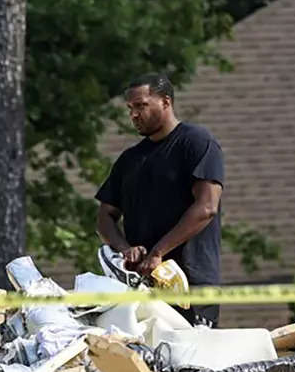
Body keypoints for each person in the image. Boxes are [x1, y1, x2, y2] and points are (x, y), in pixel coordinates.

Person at [94, 73, 225, 326]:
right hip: (142, 288)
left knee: (190, 360)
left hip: (190, 284)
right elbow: (104, 217)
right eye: (130, 108)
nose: (134, 114)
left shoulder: (196, 142)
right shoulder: (129, 160)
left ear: (166, 102)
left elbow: (206, 207)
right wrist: (124, 250)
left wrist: (158, 252)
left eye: (141, 105)